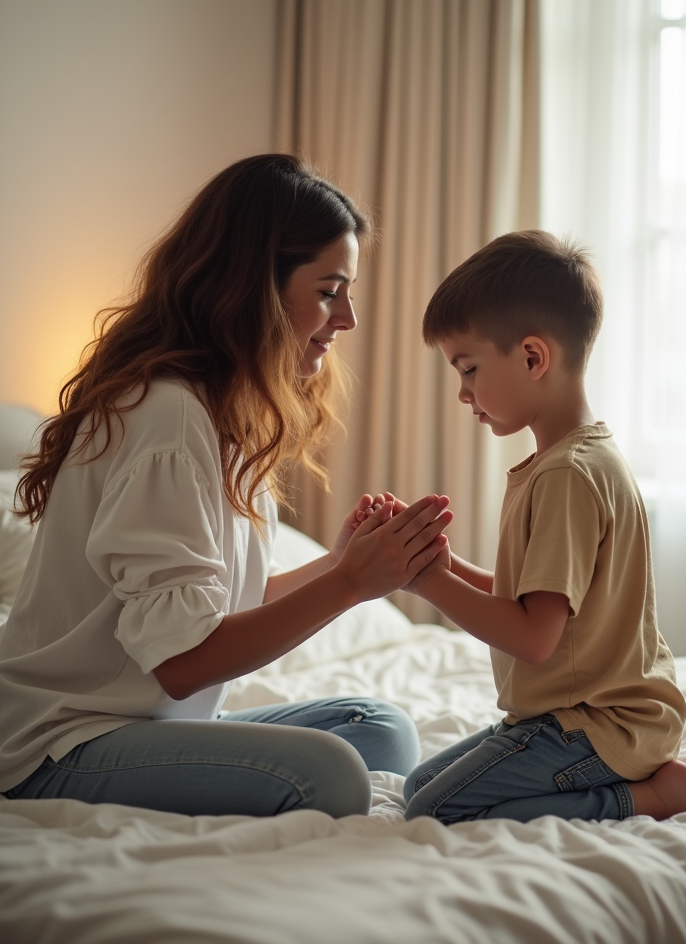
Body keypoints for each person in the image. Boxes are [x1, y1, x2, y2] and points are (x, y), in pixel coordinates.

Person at [0, 154, 452, 819]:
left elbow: (214, 609)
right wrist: (348, 583)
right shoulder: (167, 417)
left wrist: (339, 563)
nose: (348, 318)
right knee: (332, 777)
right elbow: (182, 662)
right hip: (59, 741)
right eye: (330, 289)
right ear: (253, 287)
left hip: (149, 725)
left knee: (379, 726)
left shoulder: (227, 419)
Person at [394, 229, 686, 824]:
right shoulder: (576, 461)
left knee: (433, 807)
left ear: (533, 357)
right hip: (589, 715)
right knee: (417, 786)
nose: (463, 392)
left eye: (470, 368)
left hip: (598, 726)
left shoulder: (567, 476)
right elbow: (537, 604)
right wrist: (442, 566)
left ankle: (651, 795)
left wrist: (427, 583)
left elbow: (534, 637)